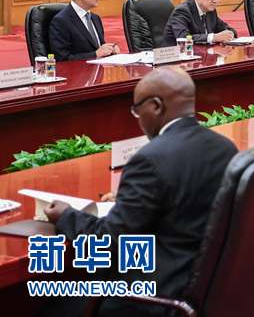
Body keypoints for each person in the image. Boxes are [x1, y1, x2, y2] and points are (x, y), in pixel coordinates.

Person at [44, 68, 238, 316]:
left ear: (156, 106)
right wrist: (131, 200)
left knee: (53, 309)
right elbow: (185, 200)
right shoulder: (224, 147)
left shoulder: (150, 159)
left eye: (137, 110)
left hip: (155, 296)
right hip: (206, 290)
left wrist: (66, 215)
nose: (137, 118)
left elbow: (109, 240)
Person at [49, 0, 121, 61]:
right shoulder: (61, 21)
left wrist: (110, 50)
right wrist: (95, 54)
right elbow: (62, 59)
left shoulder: (95, 18)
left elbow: (100, 49)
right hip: (77, 70)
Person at [163, 0, 237, 46]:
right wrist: (213, 37)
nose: (215, 1)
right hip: (178, 53)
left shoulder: (210, 11)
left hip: (202, 52)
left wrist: (229, 35)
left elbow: (229, 30)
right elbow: (183, 39)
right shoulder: (182, 11)